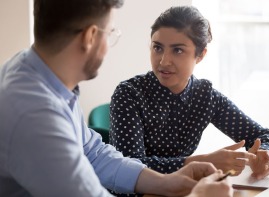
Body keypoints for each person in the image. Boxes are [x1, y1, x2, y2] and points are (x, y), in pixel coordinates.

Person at [0, 0, 234, 197]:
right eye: (110, 33)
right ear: (90, 36)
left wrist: (166, 182)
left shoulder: (35, 72)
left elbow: (93, 153)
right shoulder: (35, 115)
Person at [110, 5, 269, 180]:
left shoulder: (205, 97)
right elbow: (128, 168)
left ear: (200, 55)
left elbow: (266, 137)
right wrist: (202, 163)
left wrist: (265, 155)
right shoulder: (129, 94)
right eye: (158, 48)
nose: (164, 61)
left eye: (177, 50)